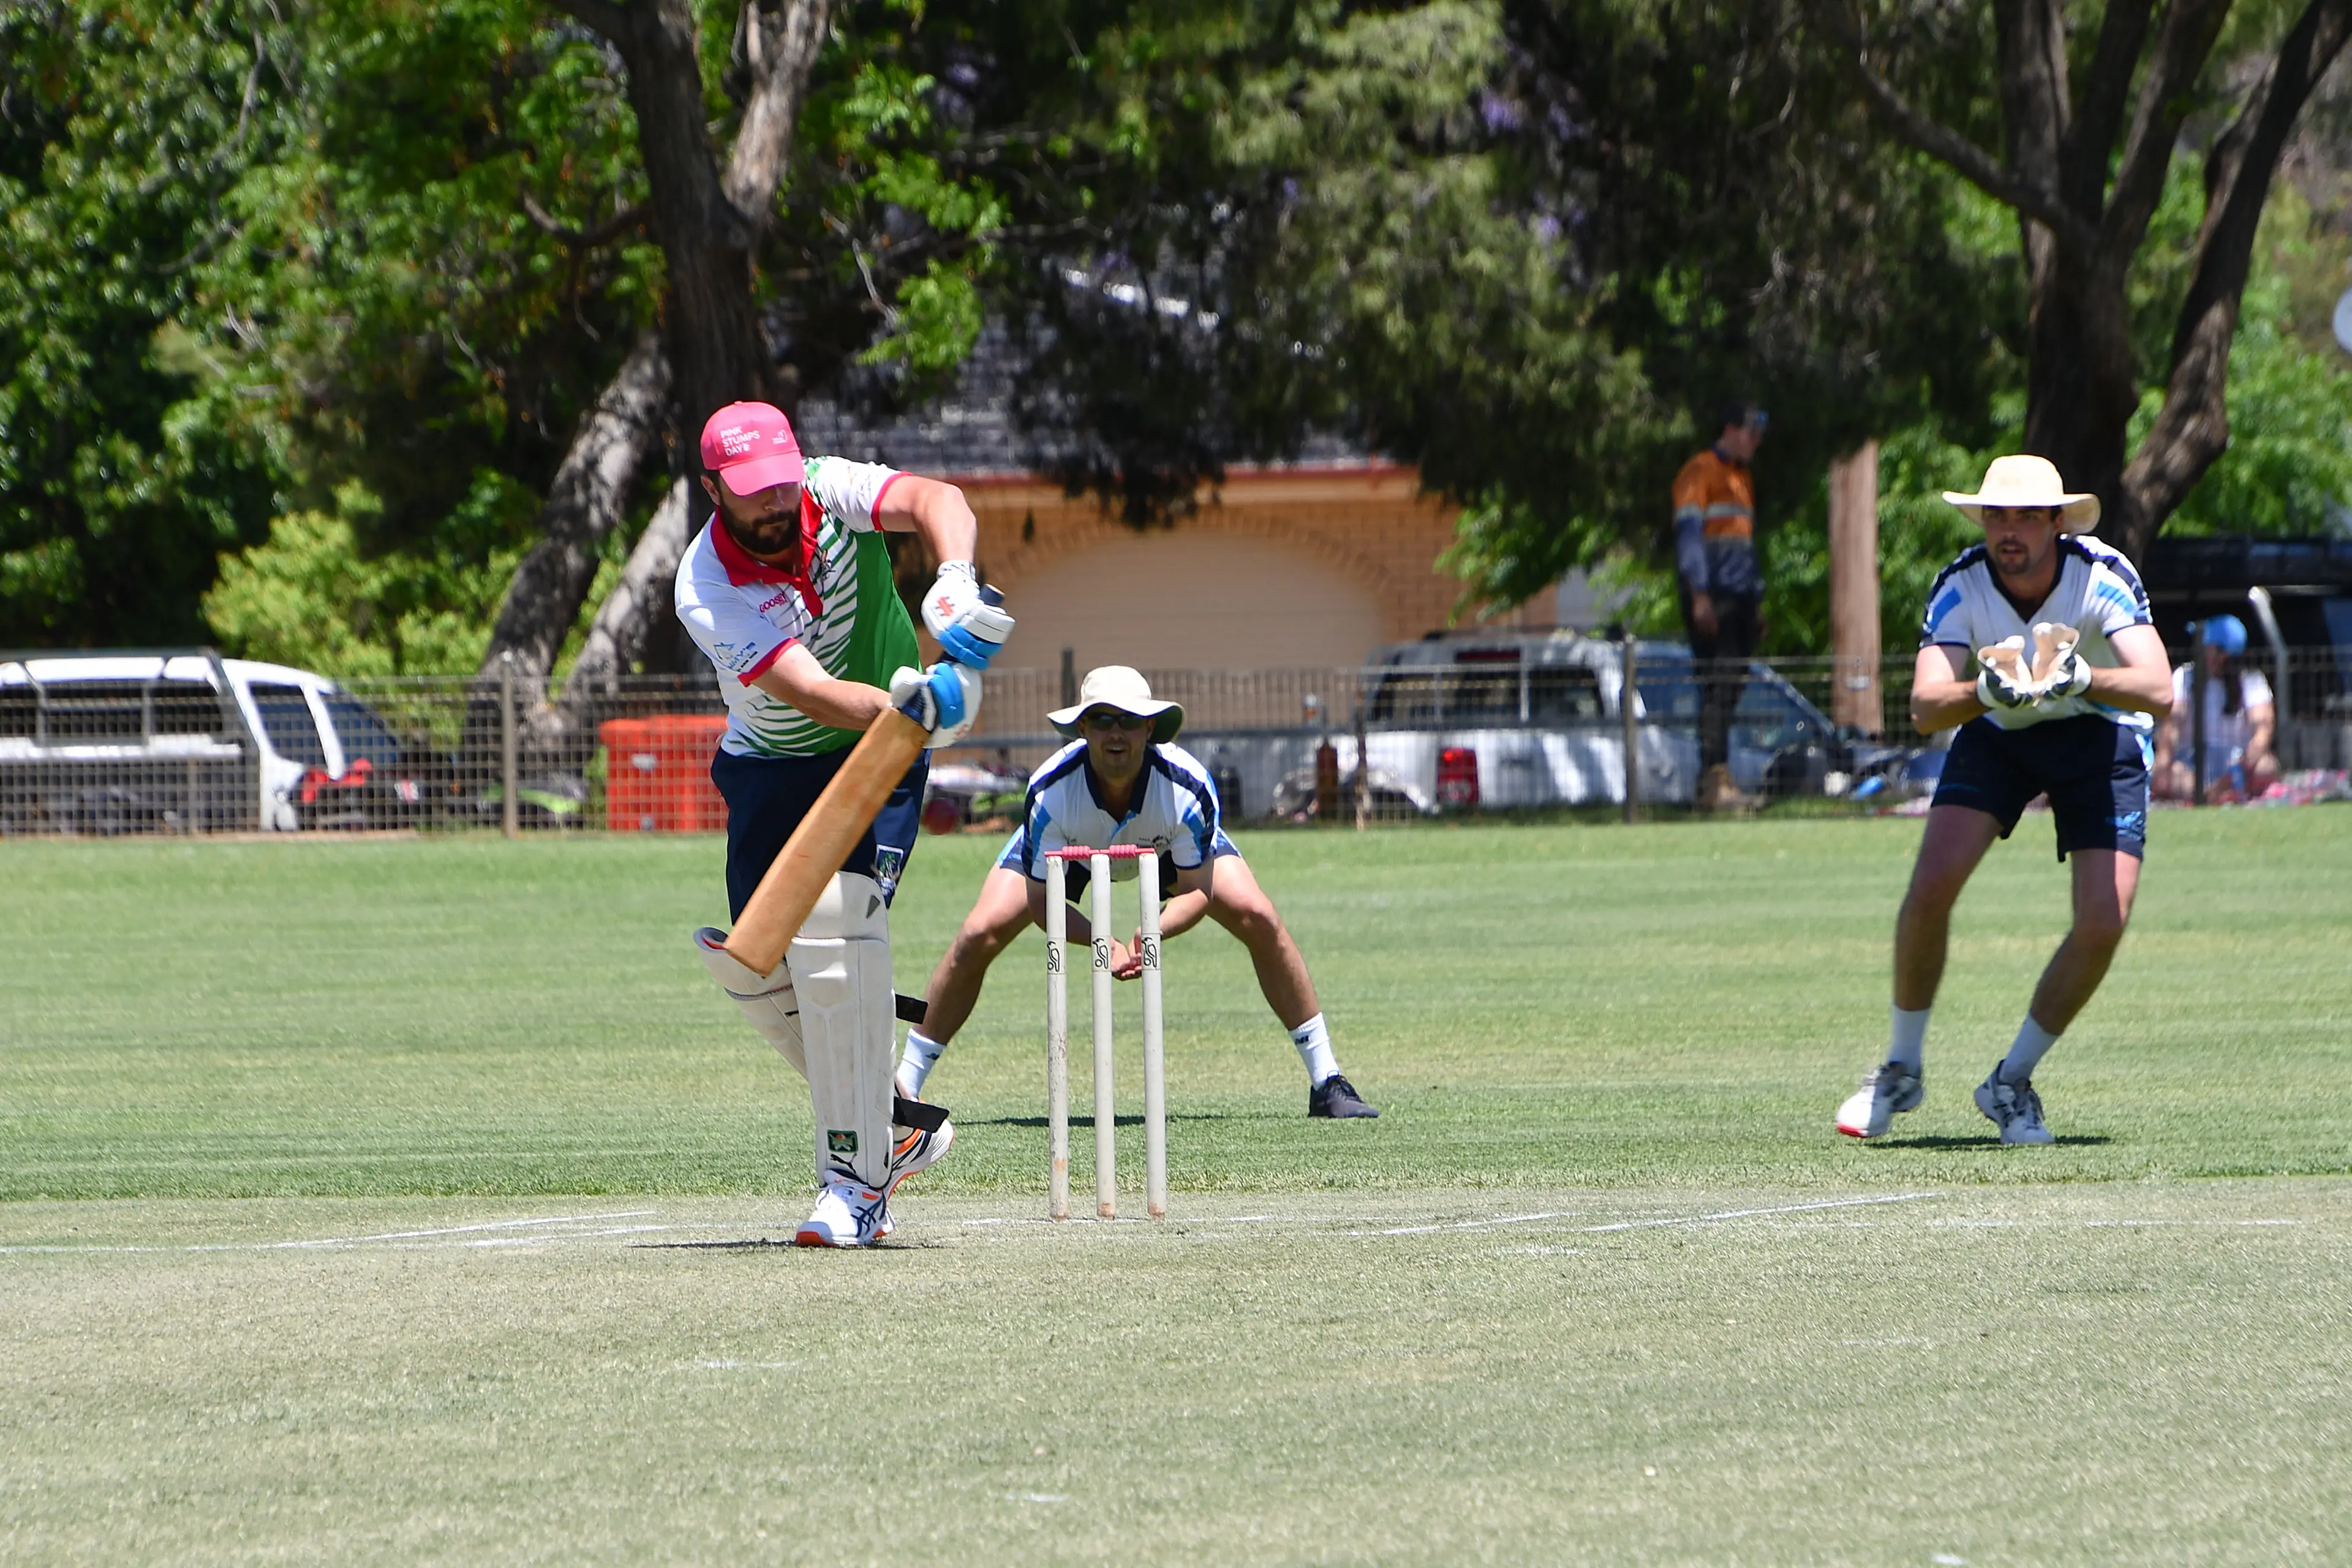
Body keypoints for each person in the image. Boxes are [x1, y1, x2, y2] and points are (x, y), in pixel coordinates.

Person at [677, 400, 1015, 1246]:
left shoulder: (830, 490)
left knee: (836, 939)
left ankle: (852, 1189)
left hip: (878, 760)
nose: (773, 505)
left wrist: (953, 581)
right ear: (713, 488)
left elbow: (942, 502)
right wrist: (920, 701)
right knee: (751, 964)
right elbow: (815, 696)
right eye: (751, 492)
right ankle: (892, 1122)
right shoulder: (708, 584)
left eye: (780, 485)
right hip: (776, 766)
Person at [1833, 455, 2173, 1145]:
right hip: (2001, 733)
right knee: (1930, 884)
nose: (2008, 530)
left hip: (2097, 734)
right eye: (1997, 515)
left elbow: (2160, 690)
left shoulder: (2101, 574)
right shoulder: (1960, 584)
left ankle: (2010, 1083)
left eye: (2024, 516)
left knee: (2104, 920)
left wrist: (2082, 677)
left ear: (2056, 522)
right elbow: (1927, 707)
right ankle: (1901, 1068)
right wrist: (1985, 693)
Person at [897, 665, 1380, 1120]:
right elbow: (1043, 903)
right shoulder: (1050, 793)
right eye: (1103, 719)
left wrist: (1149, 936)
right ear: (1082, 728)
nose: (1116, 733)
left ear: (1150, 729)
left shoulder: (1186, 788)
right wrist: (1102, 942)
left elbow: (1196, 891)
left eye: (1129, 721)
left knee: (1259, 915)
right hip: (1072, 847)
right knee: (977, 933)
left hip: (1167, 847)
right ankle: (904, 1087)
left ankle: (1327, 1082)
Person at [1673, 401, 1769, 810]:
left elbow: (1743, 546)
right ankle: (1713, 785)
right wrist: (1699, 596)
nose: (1756, 443)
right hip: (1714, 598)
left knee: (1731, 689)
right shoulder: (1700, 471)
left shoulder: (1742, 478)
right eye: (1751, 433)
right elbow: (1690, 537)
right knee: (1716, 688)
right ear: (1730, 429)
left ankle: (1720, 779)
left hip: (1740, 597)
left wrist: (1756, 601)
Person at [2154, 614, 2278, 802]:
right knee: (2174, 775)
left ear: (2222, 655)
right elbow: (2172, 726)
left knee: (2266, 767)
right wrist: (2162, 765)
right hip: (2194, 762)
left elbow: (2263, 731)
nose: (2199, 649)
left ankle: (2220, 795)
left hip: (2238, 764)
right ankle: (2210, 796)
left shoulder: (2252, 679)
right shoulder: (2184, 676)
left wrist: (2231, 777)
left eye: (2205, 645)